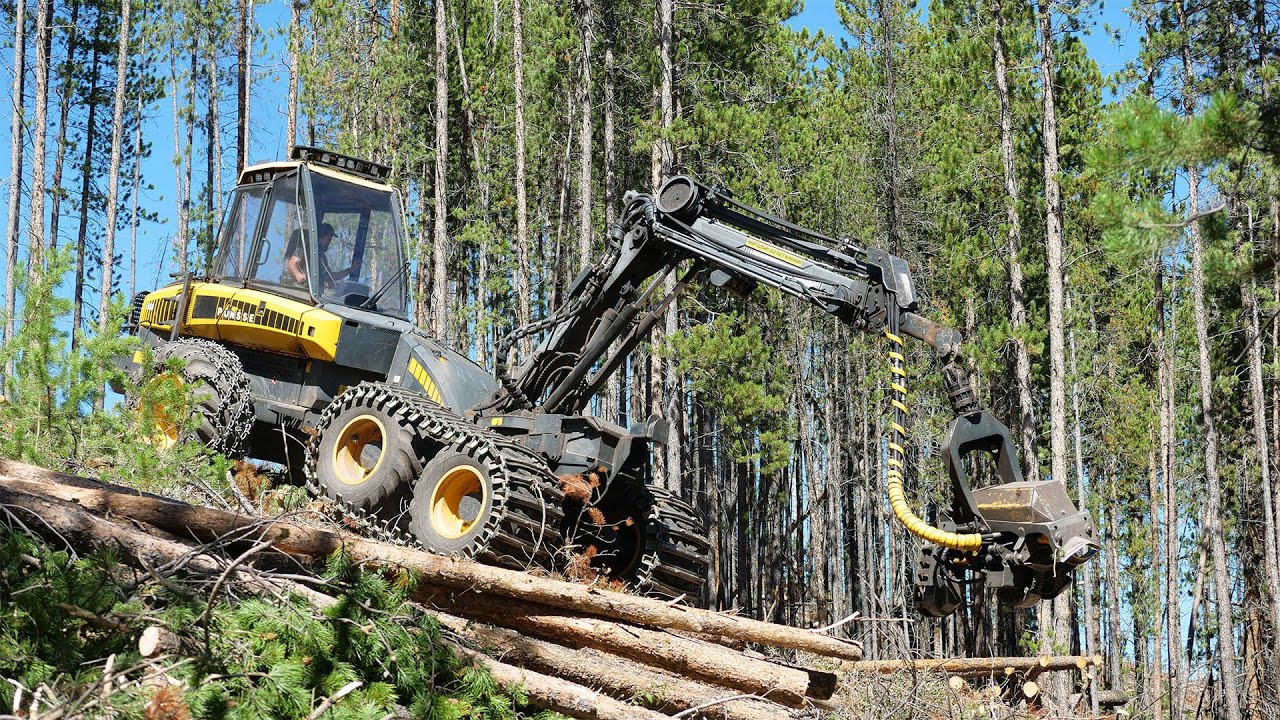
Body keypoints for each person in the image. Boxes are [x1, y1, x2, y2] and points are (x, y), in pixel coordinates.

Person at [284, 223, 359, 288]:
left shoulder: (321, 256)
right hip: (299, 288)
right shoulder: (308, 246)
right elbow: (292, 264)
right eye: (330, 239)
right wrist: (298, 274)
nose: (330, 242)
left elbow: (331, 276)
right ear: (327, 237)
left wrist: (350, 270)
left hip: (313, 291)